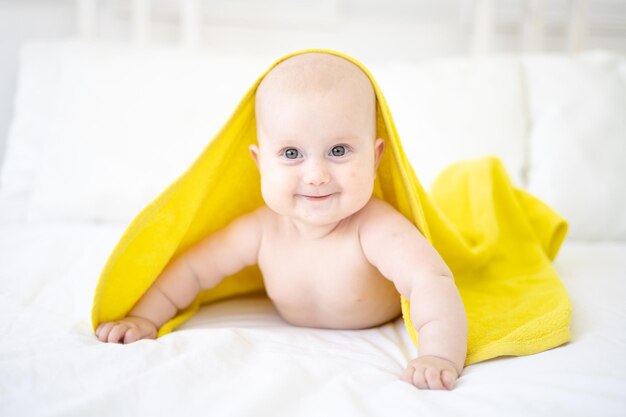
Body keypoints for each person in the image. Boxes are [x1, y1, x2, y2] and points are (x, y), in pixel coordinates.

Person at [95, 52, 468, 390]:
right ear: (260, 164)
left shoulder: (376, 229)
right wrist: (145, 318)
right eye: (291, 153)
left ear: (376, 157)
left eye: (339, 151)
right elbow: (192, 271)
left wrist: (438, 354)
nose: (316, 174)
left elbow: (429, 282)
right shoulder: (260, 230)